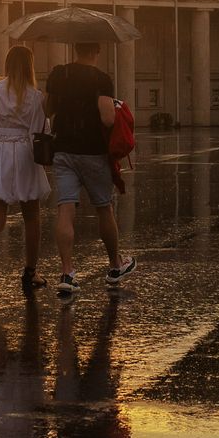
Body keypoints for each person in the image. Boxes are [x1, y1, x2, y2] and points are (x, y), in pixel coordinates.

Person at [46, 42, 135, 294]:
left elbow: (48, 109)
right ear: (97, 50)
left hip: (63, 150)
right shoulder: (101, 79)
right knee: (103, 208)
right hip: (93, 151)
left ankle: (67, 272)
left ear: (76, 48)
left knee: (65, 208)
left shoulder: (59, 74)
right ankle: (115, 265)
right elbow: (107, 117)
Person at [0, 45, 51, 292]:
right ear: (29, 67)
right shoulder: (35, 96)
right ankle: (30, 272)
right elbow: (41, 130)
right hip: (24, 154)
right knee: (32, 218)